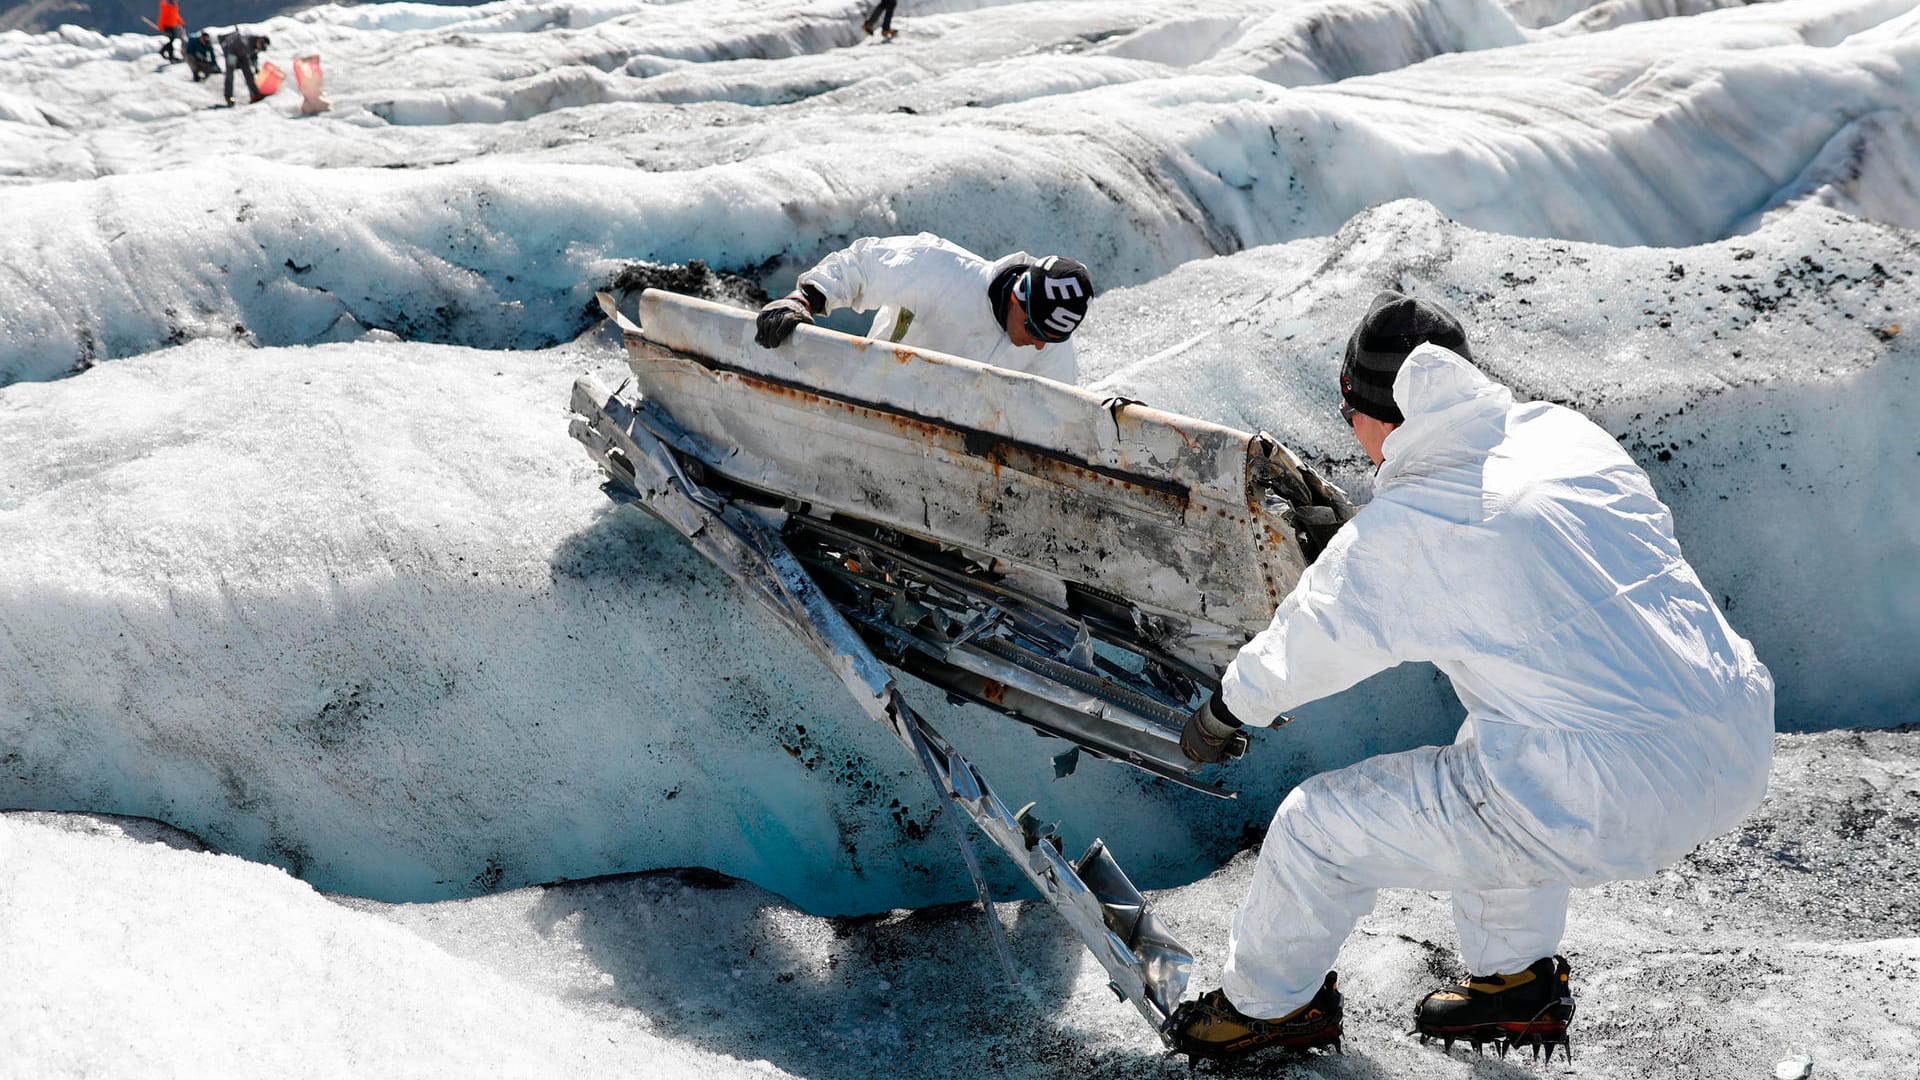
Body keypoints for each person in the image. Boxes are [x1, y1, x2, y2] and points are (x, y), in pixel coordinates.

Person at [1165, 291, 1775, 1063]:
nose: (1350, 434)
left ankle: (1267, 1009)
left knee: (1316, 830)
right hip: (1734, 732)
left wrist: (1225, 710)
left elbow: (1313, 641)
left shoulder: (1419, 525)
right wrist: (1368, 539)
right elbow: (1514, 554)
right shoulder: (1561, 435)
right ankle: (1512, 983)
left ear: (1379, 412)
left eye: (1349, 412)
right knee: (1498, 750)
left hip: (1610, 791)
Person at [754, 233, 1092, 385]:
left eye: (1053, 338)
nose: (1039, 345)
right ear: (1018, 299)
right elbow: (861, 266)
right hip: (871, 403)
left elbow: (1058, 420)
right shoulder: (939, 268)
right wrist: (803, 300)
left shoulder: (1051, 349)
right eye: (1035, 331)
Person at [220, 30, 270, 106]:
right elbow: (232, 45)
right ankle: (228, 96)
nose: (259, 47)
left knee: (249, 74)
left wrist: (256, 67)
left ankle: (255, 94)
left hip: (243, 56)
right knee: (230, 74)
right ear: (260, 40)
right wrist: (232, 61)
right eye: (261, 45)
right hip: (232, 53)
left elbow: (254, 56)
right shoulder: (247, 39)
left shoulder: (255, 46)